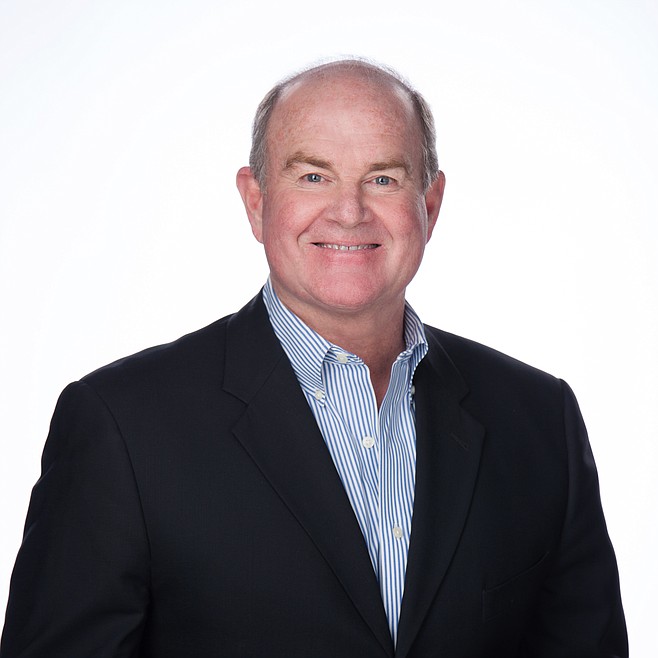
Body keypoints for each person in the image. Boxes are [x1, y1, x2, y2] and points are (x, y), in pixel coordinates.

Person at [0, 59, 627, 657]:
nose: (349, 212)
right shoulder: (122, 427)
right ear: (255, 202)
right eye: (312, 176)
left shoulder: (538, 419)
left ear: (430, 206)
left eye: (383, 178)